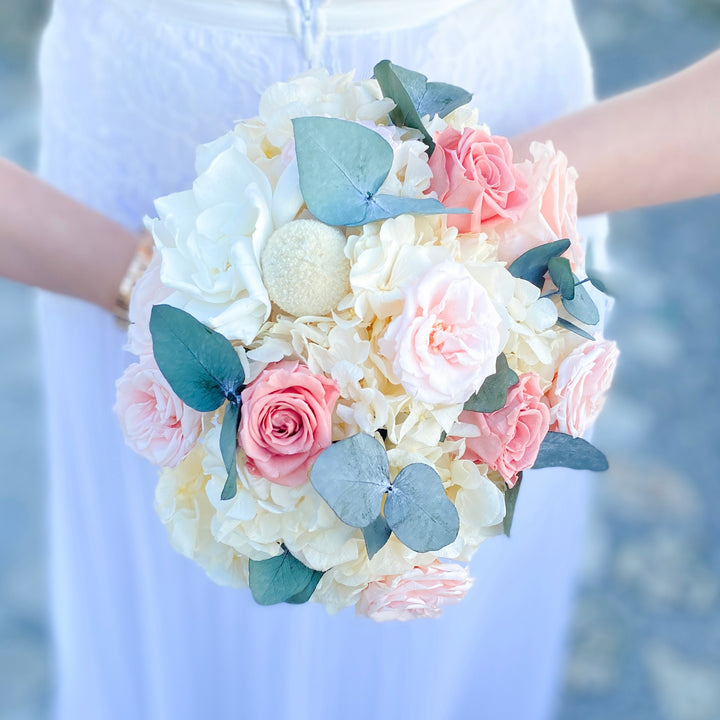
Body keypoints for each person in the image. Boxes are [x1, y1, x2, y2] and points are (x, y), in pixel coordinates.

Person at [0, 1, 717, 718]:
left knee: (446, 596)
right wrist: (127, 276)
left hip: (504, 212)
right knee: (183, 558)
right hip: (134, 207)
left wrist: (486, 208)